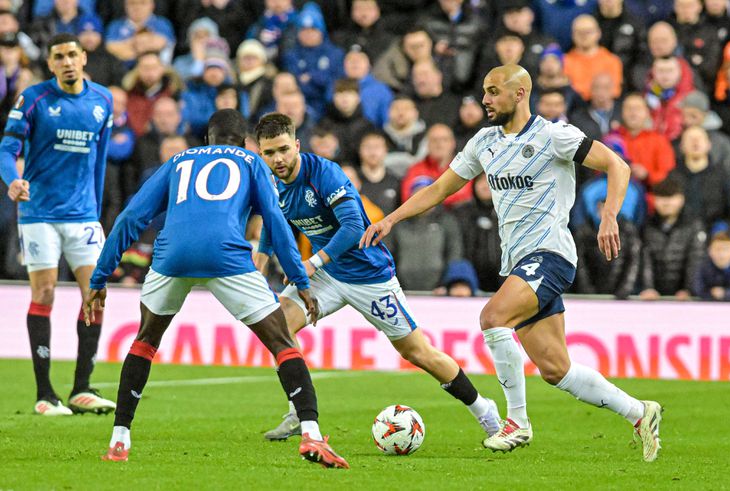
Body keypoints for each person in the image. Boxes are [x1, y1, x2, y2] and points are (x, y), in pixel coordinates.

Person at [361, 64, 663, 461]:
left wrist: (609, 216)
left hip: (550, 255)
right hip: (518, 262)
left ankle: (517, 423)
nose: (485, 99)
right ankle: (640, 412)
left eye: (493, 91)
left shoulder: (554, 135)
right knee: (557, 370)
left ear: (519, 94)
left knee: (493, 318)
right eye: (484, 91)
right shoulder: (484, 142)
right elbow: (439, 188)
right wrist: (391, 219)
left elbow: (617, 165)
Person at [84, 109, 348, 468]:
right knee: (282, 342)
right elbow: (274, 220)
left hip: (172, 255)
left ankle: (119, 440)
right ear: (245, 142)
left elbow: (131, 216)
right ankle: (311, 435)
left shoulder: (179, 160)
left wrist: (99, 277)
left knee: (145, 341)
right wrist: (300, 281)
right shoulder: (252, 163)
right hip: (226, 256)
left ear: (207, 139)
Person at [253, 112, 502, 444]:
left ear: (297, 145)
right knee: (278, 328)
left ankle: (483, 408)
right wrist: (259, 266)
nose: (278, 159)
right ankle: (299, 412)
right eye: (269, 153)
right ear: (261, 153)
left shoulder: (324, 173)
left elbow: (354, 227)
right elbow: (272, 224)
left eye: (284, 149)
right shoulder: (270, 182)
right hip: (328, 273)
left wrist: (312, 263)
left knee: (417, 352)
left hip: (368, 276)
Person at [0, 33, 115, 416]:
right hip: (40, 214)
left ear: (84, 58)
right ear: (50, 64)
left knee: (95, 294)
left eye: (72, 55)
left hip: (83, 216)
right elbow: (7, 149)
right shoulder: (33, 99)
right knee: (45, 292)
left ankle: (82, 388)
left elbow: (100, 159)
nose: (66, 62)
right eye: (59, 57)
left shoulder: (103, 100)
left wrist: (96, 208)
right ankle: (45, 394)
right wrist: (12, 180)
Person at [640, 177, 706, 300]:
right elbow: (645, 260)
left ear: (681, 199)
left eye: (670, 197)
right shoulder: (647, 226)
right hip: (652, 297)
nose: (666, 203)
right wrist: (648, 288)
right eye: (661, 197)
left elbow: (696, 259)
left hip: (685, 298)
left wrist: (689, 290)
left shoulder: (693, 226)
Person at [692, 231, 730, 301]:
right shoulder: (703, 266)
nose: (721, 254)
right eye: (717, 249)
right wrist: (711, 293)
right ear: (709, 250)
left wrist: (725, 293)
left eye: (726, 249)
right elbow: (697, 289)